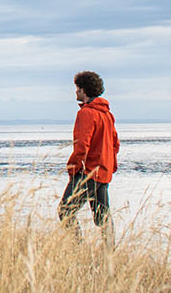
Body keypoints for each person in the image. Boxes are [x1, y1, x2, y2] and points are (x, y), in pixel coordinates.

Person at [59, 70, 119, 239]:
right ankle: (110, 255)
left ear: (84, 90)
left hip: (88, 172)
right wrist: (111, 166)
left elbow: (81, 146)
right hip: (103, 172)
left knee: (65, 211)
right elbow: (115, 144)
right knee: (103, 218)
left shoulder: (86, 113)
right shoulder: (107, 114)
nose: (76, 92)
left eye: (77, 88)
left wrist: (73, 170)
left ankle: (77, 248)